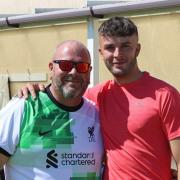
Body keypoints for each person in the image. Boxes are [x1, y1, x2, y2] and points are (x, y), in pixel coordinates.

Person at [19, 17, 180, 180]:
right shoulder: (94, 96)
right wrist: (37, 90)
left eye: (126, 46)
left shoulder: (165, 95)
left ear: (137, 50)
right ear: (101, 53)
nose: (118, 54)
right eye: (110, 47)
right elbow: (60, 97)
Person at [0, 40, 104, 180]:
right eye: (65, 65)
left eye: (82, 67)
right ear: (51, 67)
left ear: (89, 72)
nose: (73, 72)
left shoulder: (97, 116)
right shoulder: (24, 107)